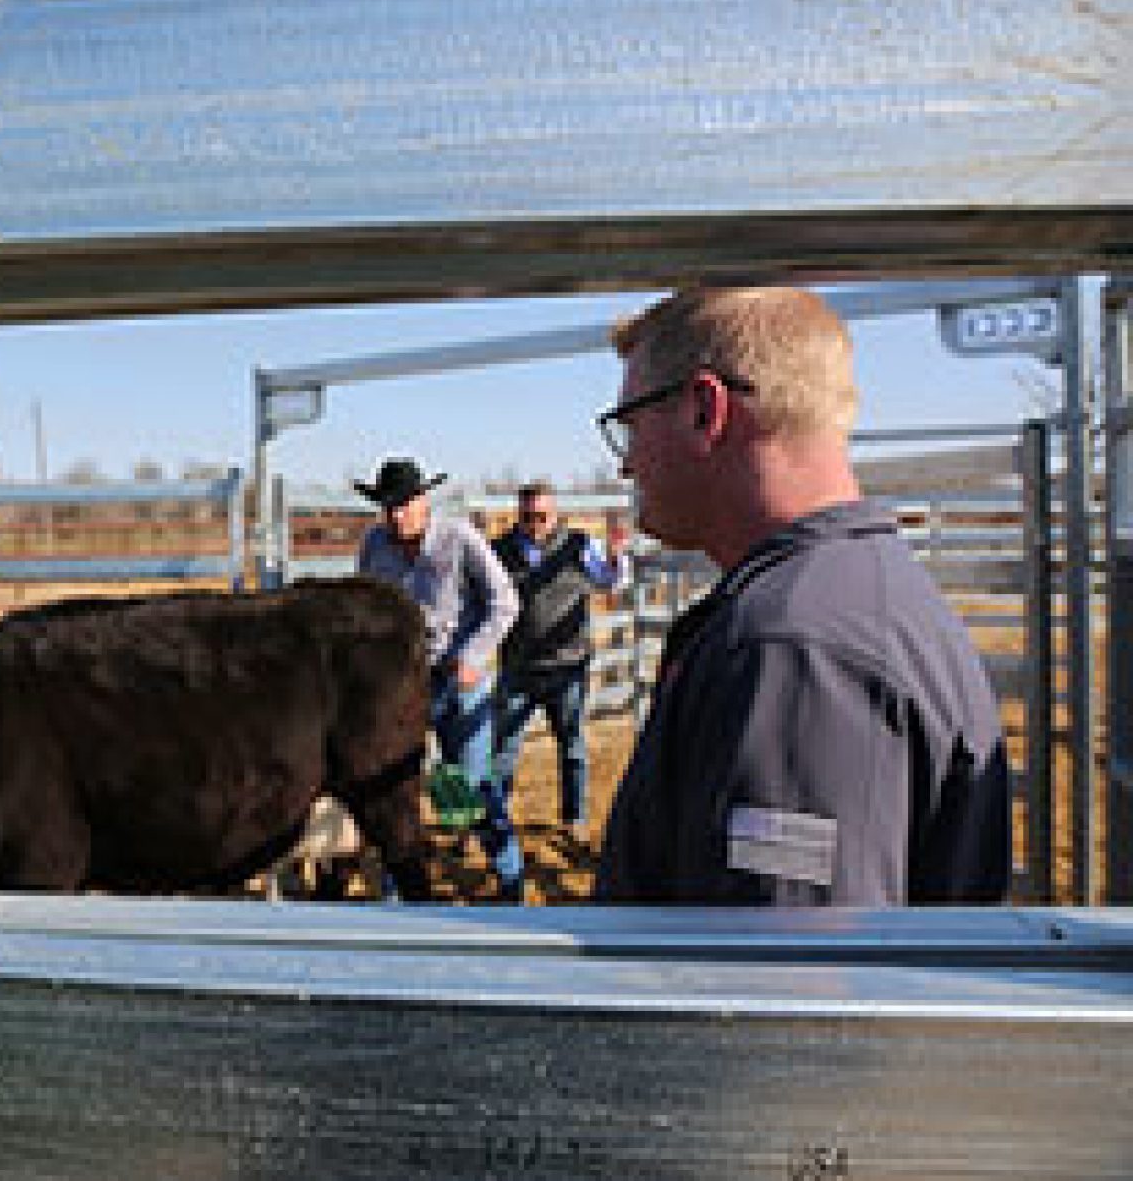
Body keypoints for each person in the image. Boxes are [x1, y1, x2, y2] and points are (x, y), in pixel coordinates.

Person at [591, 286, 1011, 905]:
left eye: (629, 424)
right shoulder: (841, 598)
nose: (625, 466)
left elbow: (786, 981)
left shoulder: (794, 646)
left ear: (706, 410)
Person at [353, 457, 523, 898]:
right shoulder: (374, 545)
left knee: (472, 789)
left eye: (405, 503)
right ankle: (398, 890)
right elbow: (365, 610)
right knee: (395, 791)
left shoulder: (459, 539)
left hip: (456, 681)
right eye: (388, 505)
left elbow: (504, 603)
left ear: (424, 501)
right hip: (399, 689)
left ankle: (510, 880)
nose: (396, 515)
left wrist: (473, 656)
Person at [490, 481, 631, 835]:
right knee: (504, 750)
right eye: (528, 516)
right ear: (518, 515)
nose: (535, 522)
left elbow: (609, 583)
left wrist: (615, 558)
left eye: (542, 515)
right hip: (517, 666)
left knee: (571, 745)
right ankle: (496, 819)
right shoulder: (497, 550)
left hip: (567, 665)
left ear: (555, 514)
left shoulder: (579, 545)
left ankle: (574, 819)